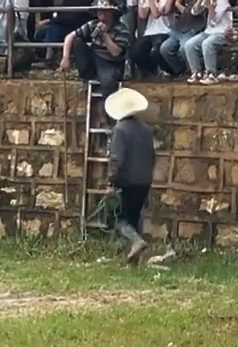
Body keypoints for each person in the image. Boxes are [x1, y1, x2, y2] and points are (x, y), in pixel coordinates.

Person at [104, 87, 155, 266]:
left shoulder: (120, 130)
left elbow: (117, 159)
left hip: (127, 181)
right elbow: (152, 156)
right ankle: (136, 259)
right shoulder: (146, 130)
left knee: (119, 218)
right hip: (144, 180)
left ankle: (136, 241)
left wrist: (111, 181)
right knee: (135, 216)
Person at [59, 0, 131, 96]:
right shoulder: (93, 24)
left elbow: (115, 53)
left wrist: (104, 36)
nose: (102, 14)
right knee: (77, 42)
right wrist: (65, 58)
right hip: (95, 58)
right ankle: (87, 77)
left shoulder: (122, 30)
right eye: (99, 11)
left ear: (112, 13)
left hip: (112, 63)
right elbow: (69, 37)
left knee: (108, 82)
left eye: (105, 11)